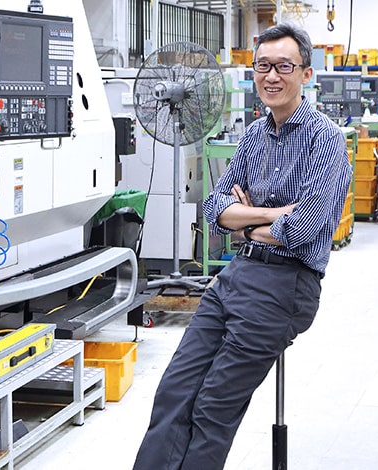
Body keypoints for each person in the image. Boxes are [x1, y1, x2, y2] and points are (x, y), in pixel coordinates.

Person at [132, 23, 352, 470]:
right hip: (236, 275)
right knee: (174, 391)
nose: (272, 77)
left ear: (306, 74)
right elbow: (215, 209)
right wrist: (271, 217)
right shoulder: (253, 136)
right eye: (263, 67)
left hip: (287, 285)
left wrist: (247, 221)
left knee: (213, 406)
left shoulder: (324, 139)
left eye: (284, 67)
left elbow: (305, 229)